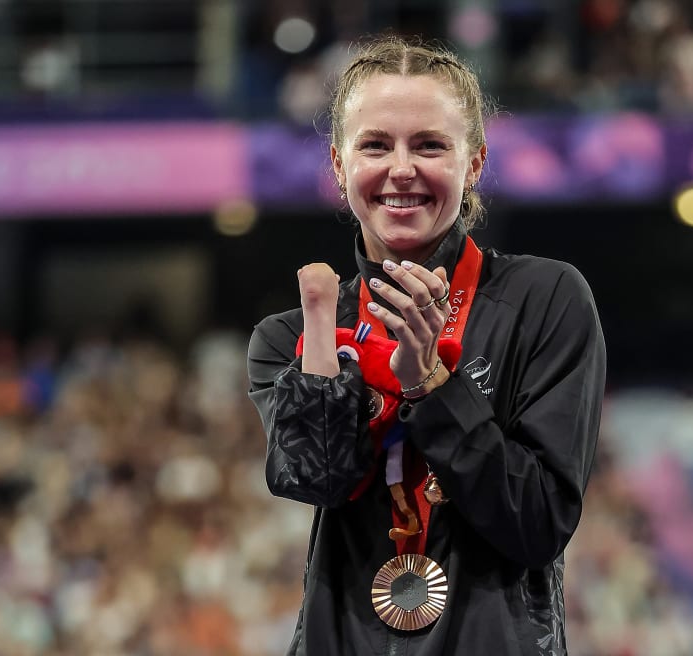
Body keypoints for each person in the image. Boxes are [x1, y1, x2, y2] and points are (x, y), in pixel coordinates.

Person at [246, 35, 606, 655]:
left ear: (474, 163)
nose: (402, 169)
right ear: (339, 165)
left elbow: (539, 523)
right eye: (376, 145)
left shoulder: (543, 300)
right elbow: (319, 480)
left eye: (430, 145)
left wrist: (433, 390)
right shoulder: (294, 338)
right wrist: (322, 342)